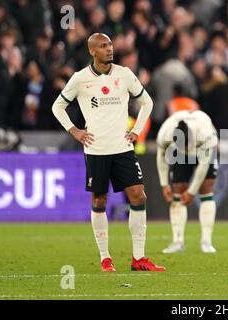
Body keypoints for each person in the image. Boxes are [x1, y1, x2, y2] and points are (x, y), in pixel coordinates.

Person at [51, 33, 165, 272]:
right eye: (103, 46)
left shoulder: (124, 74)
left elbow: (148, 103)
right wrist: (74, 131)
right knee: (99, 200)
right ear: (92, 51)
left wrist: (136, 130)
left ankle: (139, 258)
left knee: (138, 196)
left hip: (123, 148)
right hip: (96, 150)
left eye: (110, 44)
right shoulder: (80, 79)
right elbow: (57, 106)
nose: (109, 49)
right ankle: (105, 258)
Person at [156, 110, 218, 254]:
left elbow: (203, 166)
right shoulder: (165, 133)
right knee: (177, 188)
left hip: (204, 149)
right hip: (178, 151)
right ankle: (178, 242)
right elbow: (161, 157)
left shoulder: (205, 134)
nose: (185, 150)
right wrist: (164, 184)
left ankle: (206, 241)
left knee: (206, 186)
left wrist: (191, 192)